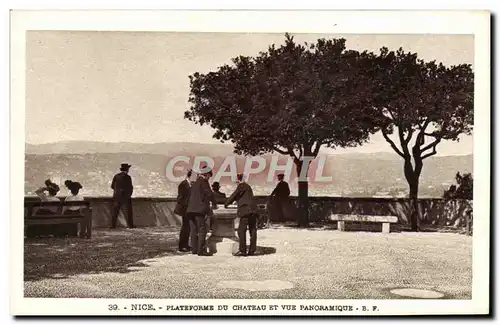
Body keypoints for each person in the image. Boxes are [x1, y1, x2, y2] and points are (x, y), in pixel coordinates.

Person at [186, 166, 217, 256]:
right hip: (199, 210)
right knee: (202, 229)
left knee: (193, 230)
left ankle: (194, 249)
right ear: (206, 174)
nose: (209, 178)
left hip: (190, 209)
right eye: (209, 176)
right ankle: (201, 251)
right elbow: (209, 194)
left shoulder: (195, 182)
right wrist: (214, 203)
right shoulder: (203, 181)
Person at [225, 174, 258, 256]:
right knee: (252, 230)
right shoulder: (248, 187)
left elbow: (234, 195)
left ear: (238, 180)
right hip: (253, 211)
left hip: (246, 211)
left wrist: (226, 203)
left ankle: (242, 250)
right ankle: (252, 250)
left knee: (241, 231)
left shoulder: (242, 185)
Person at [110, 163, 135, 229]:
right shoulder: (128, 177)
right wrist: (128, 194)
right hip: (125, 197)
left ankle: (113, 226)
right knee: (129, 211)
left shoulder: (116, 176)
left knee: (115, 212)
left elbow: (112, 186)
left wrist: (117, 192)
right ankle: (130, 225)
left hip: (117, 197)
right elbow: (130, 188)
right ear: (127, 169)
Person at [174, 169, 192, 252]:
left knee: (187, 227)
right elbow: (180, 198)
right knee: (185, 227)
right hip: (184, 209)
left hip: (187, 208)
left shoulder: (190, 184)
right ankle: (182, 246)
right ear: (190, 176)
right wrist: (186, 204)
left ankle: (186, 245)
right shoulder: (183, 184)